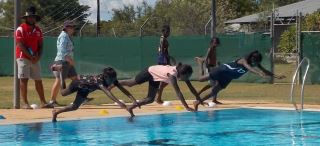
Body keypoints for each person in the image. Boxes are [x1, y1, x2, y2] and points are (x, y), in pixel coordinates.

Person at [193, 50, 286, 110]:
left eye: (257, 63)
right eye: (255, 62)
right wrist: (258, 73)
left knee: (214, 92)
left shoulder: (254, 63)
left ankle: (197, 102)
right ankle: (201, 63)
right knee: (200, 79)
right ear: (252, 59)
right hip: (222, 70)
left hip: (228, 77)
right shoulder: (243, 60)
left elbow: (265, 70)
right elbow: (249, 68)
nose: (256, 64)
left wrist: (277, 76)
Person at [52, 67, 139, 122]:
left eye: (114, 79)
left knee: (74, 107)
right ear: (105, 77)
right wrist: (119, 103)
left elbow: (124, 90)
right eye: (111, 80)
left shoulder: (113, 80)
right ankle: (61, 73)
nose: (112, 81)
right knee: (63, 93)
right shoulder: (99, 81)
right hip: (78, 82)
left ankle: (56, 112)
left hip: (86, 89)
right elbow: (108, 92)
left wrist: (134, 100)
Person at [119, 63, 204, 118]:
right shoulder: (172, 75)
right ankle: (114, 83)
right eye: (188, 76)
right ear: (183, 74)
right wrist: (186, 107)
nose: (188, 78)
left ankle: (130, 108)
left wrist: (200, 100)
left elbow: (192, 88)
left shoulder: (182, 74)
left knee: (150, 99)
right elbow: (178, 92)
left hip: (156, 77)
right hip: (150, 71)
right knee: (130, 83)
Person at [15, 6, 52, 109]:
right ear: (26, 18)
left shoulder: (38, 30)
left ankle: (43, 102)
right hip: (23, 58)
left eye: (33, 17)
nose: (31, 19)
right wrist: (30, 56)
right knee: (24, 79)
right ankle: (25, 103)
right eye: (30, 17)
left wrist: (38, 57)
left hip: (35, 59)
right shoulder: (20, 29)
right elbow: (20, 45)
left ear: (35, 18)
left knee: (38, 80)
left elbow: (40, 45)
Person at [49, 20, 82, 107]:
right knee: (59, 80)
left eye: (73, 27)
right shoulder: (63, 36)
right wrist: (69, 59)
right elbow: (62, 50)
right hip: (62, 61)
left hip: (67, 62)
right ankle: (52, 101)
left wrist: (70, 61)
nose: (73, 28)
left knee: (76, 80)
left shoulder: (68, 36)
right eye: (71, 27)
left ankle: (82, 97)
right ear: (66, 28)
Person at [155, 25, 173, 104]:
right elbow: (162, 51)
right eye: (167, 31)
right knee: (166, 79)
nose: (169, 33)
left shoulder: (164, 39)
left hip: (164, 60)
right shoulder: (162, 39)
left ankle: (158, 93)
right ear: (163, 32)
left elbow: (163, 51)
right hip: (163, 61)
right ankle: (158, 98)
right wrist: (167, 61)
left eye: (169, 31)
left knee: (166, 80)